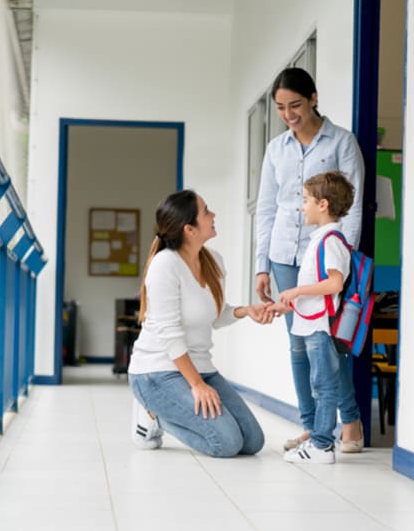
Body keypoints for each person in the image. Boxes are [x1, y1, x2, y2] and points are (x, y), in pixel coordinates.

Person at [255, 67, 364, 453]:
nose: (289, 115)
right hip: (285, 255)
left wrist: (341, 257)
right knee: (298, 345)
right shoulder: (275, 149)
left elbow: (351, 208)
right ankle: (311, 425)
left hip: (326, 257)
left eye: (296, 105)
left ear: (313, 98)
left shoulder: (342, 142)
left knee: (329, 344)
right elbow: (267, 208)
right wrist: (261, 265)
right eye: (282, 108)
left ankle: (349, 421)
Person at [128, 189, 268, 458]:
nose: (214, 215)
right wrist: (197, 385)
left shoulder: (213, 260)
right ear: (189, 229)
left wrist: (245, 311)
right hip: (157, 373)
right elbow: (171, 336)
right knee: (226, 443)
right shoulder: (164, 266)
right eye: (206, 212)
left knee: (252, 441)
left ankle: (166, 410)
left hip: (200, 368)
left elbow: (214, 315)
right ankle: (153, 416)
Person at [269, 171, 356, 464]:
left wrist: (296, 290)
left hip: (321, 327)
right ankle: (320, 441)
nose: (300, 206)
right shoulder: (320, 238)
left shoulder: (331, 240)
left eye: (305, 200)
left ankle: (322, 446)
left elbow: (334, 284)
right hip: (311, 323)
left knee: (324, 385)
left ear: (323, 205)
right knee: (320, 383)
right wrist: (287, 303)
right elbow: (317, 289)